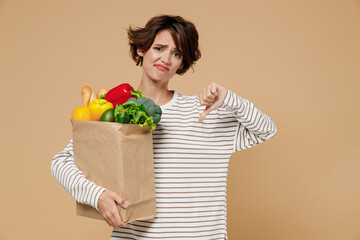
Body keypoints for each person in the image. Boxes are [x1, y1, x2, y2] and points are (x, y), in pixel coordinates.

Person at [51, 14, 277, 240]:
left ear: (182, 63)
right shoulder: (116, 112)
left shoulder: (202, 113)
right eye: (159, 48)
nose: (166, 59)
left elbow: (266, 129)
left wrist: (229, 98)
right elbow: (61, 162)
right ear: (142, 49)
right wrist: (97, 195)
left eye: (176, 54)